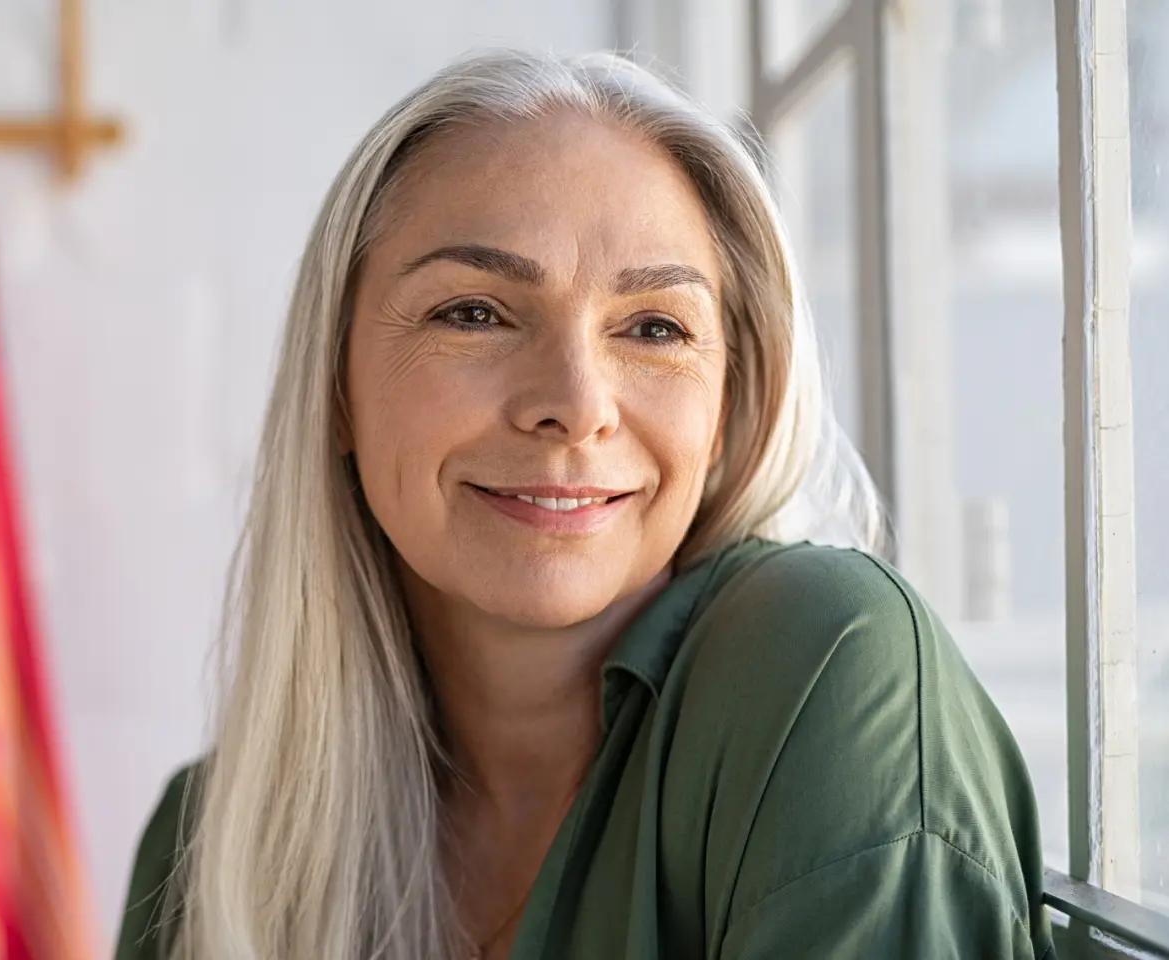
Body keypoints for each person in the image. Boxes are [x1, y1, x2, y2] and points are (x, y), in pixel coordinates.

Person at [114, 48, 1055, 960]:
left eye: (655, 327)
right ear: (336, 390)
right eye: (473, 312)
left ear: (731, 408)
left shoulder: (833, 677)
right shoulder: (209, 852)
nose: (575, 401)